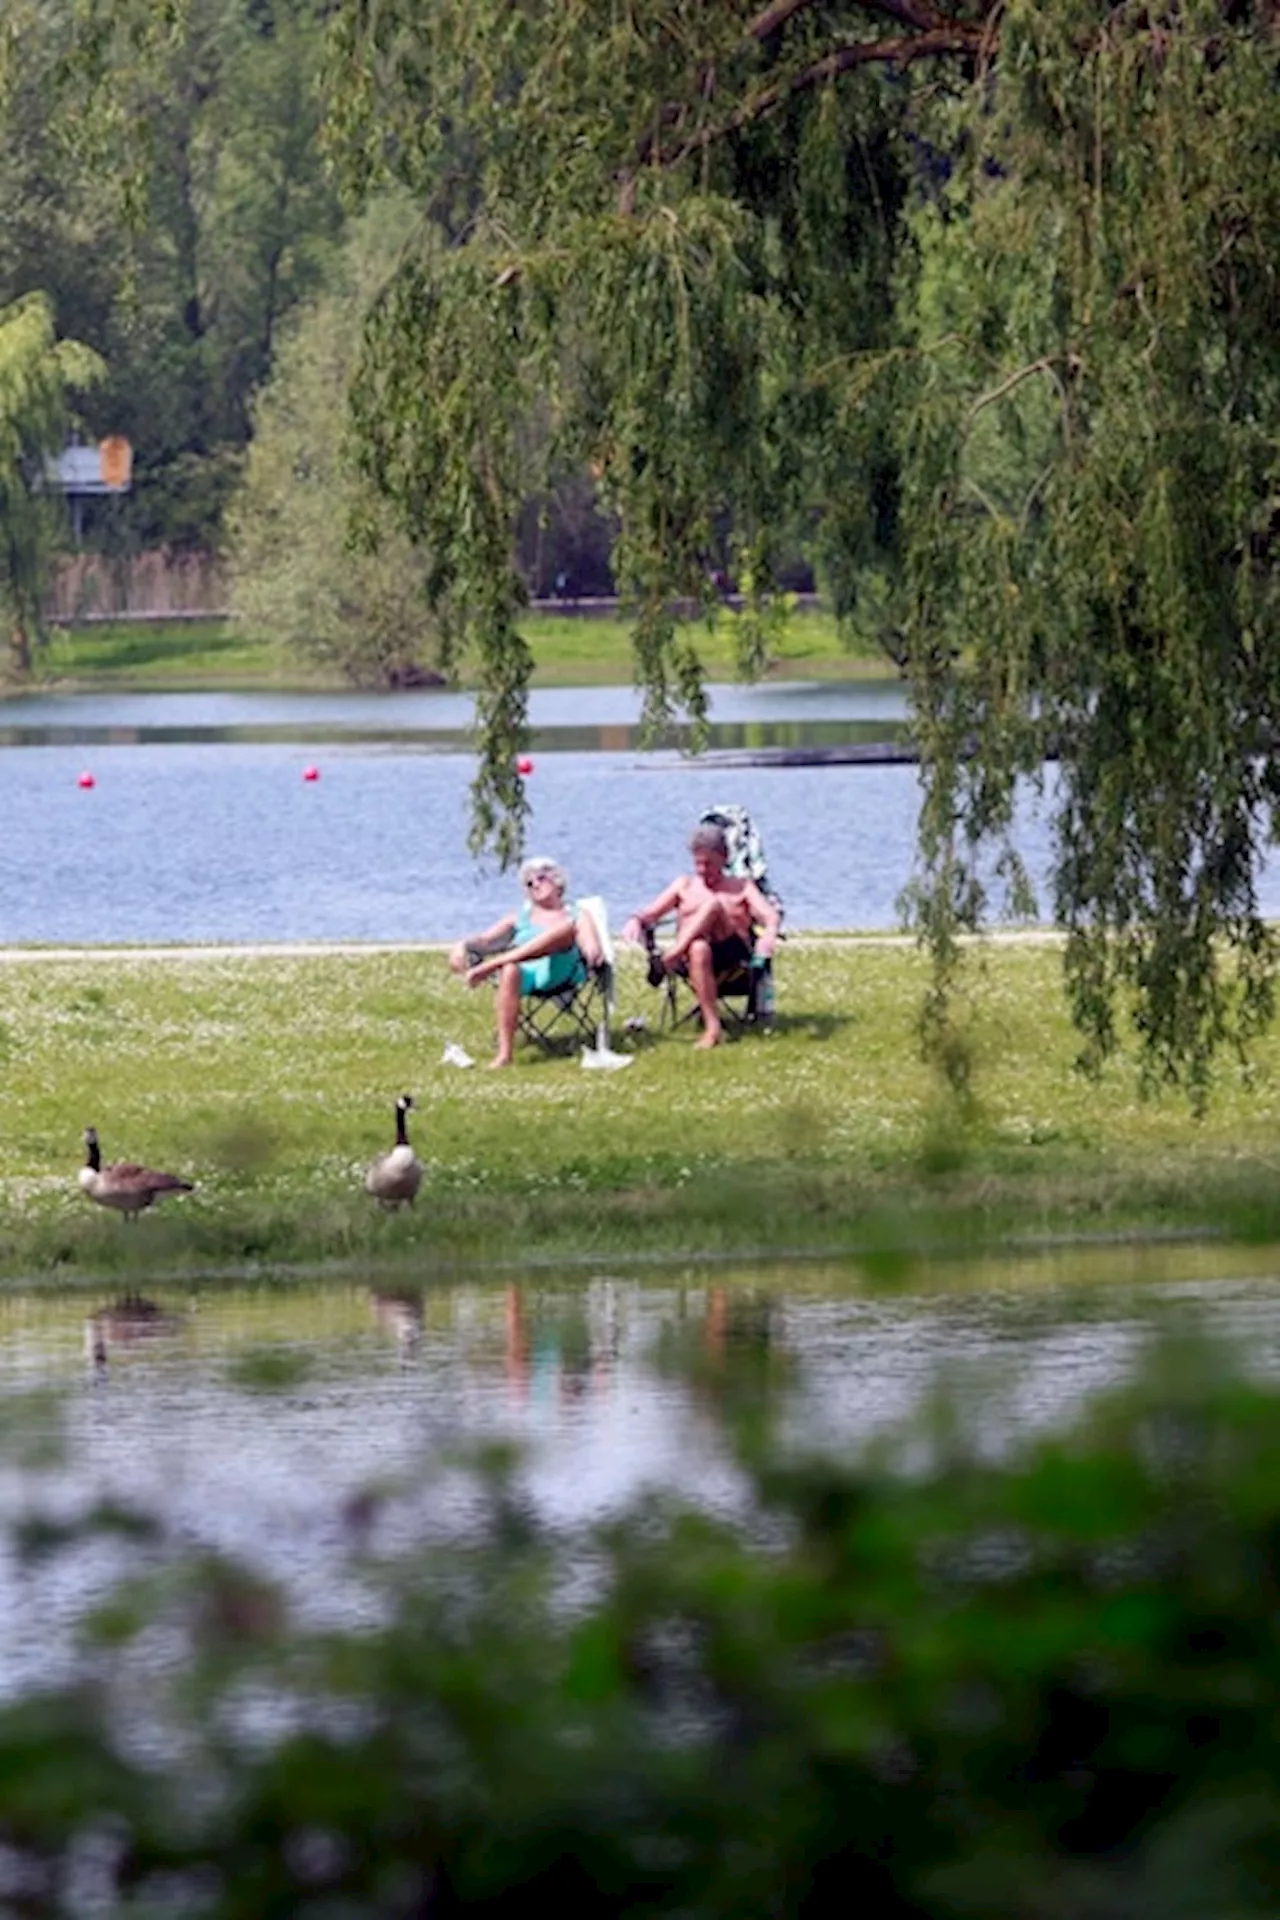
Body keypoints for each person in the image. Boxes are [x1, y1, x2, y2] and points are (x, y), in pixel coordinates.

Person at [622, 824, 781, 1050]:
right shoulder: (684, 885)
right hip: (694, 960)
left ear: (724, 858)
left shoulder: (741, 886)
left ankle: (670, 958)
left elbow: (770, 916)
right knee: (698, 948)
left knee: (713, 905)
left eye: (709, 864)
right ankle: (713, 1028)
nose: (703, 869)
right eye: (698, 863)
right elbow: (651, 913)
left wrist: (768, 936)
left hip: (732, 957)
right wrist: (635, 920)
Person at [449, 856, 602, 1069]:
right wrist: (462, 945)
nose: (535, 885)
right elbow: (485, 940)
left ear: (557, 880)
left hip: (560, 969)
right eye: (529, 883)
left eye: (541, 878)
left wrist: (593, 951)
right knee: (510, 969)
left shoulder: (576, 914)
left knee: (564, 931)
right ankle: (504, 1055)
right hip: (527, 974)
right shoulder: (519, 916)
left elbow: (590, 946)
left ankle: (493, 965)